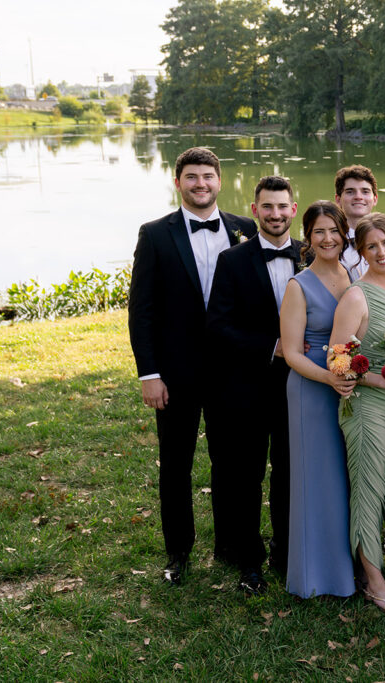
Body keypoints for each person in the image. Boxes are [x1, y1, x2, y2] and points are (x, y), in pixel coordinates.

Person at [128, 147, 256, 585]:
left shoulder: (245, 229)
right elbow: (141, 310)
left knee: (232, 462)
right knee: (176, 463)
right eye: (191, 177)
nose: (200, 184)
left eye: (207, 176)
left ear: (219, 181)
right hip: (176, 372)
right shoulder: (154, 234)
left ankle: (231, 545)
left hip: (232, 372)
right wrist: (150, 374)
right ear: (177, 182)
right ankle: (178, 552)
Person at [206, 175, 301, 594]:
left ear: (293, 210)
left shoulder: (310, 255)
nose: (275, 214)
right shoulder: (232, 260)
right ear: (254, 209)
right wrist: (271, 346)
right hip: (247, 386)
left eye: (282, 207)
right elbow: (218, 325)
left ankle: (286, 551)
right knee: (247, 475)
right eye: (267, 207)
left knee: (290, 471)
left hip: (300, 386)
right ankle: (249, 561)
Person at [329, 213, 385, 614]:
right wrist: (380, 381)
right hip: (366, 407)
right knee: (368, 491)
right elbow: (336, 360)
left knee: (384, 491)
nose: (382, 252)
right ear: (360, 252)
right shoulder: (355, 296)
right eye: (371, 246)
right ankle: (375, 584)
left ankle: (371, 566)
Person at [279, 201, 356, 599]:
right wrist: (329, 377)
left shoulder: (353, 275)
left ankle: (348, 567)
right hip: (312, 389)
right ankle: (313, 575)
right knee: (317, 479)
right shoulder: (298, 285)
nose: (328, 239)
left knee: (345, 478)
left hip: (351, 388)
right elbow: (292, 353)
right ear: (307, 238)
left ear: (345, 234)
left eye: (334, 231)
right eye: (319, 232)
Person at [333, 165, 379, 281]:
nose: (358, 197)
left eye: (365, 191)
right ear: (338, 199)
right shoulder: (328, 242)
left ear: (375, 199)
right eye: (350, 192)